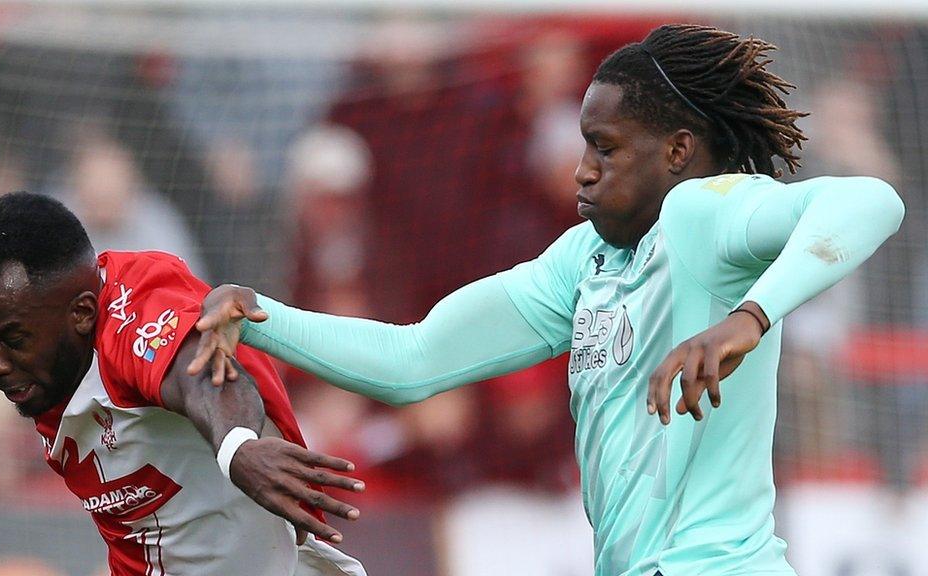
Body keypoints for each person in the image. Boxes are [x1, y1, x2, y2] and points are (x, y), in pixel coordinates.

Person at [189, 24, 905, 576]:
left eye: (606, 148)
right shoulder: (581, 261)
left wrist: (748, 317)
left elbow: (869, 201)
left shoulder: (706, 214)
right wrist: (260, 315)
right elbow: (413, 358)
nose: (582, 169)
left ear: (679, 151)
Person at [0, 193, 367, 576]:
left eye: (13, 340)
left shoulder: (135, 310)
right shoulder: (48, 367)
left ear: (83, 313)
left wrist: (236, 446)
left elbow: (201, 375)